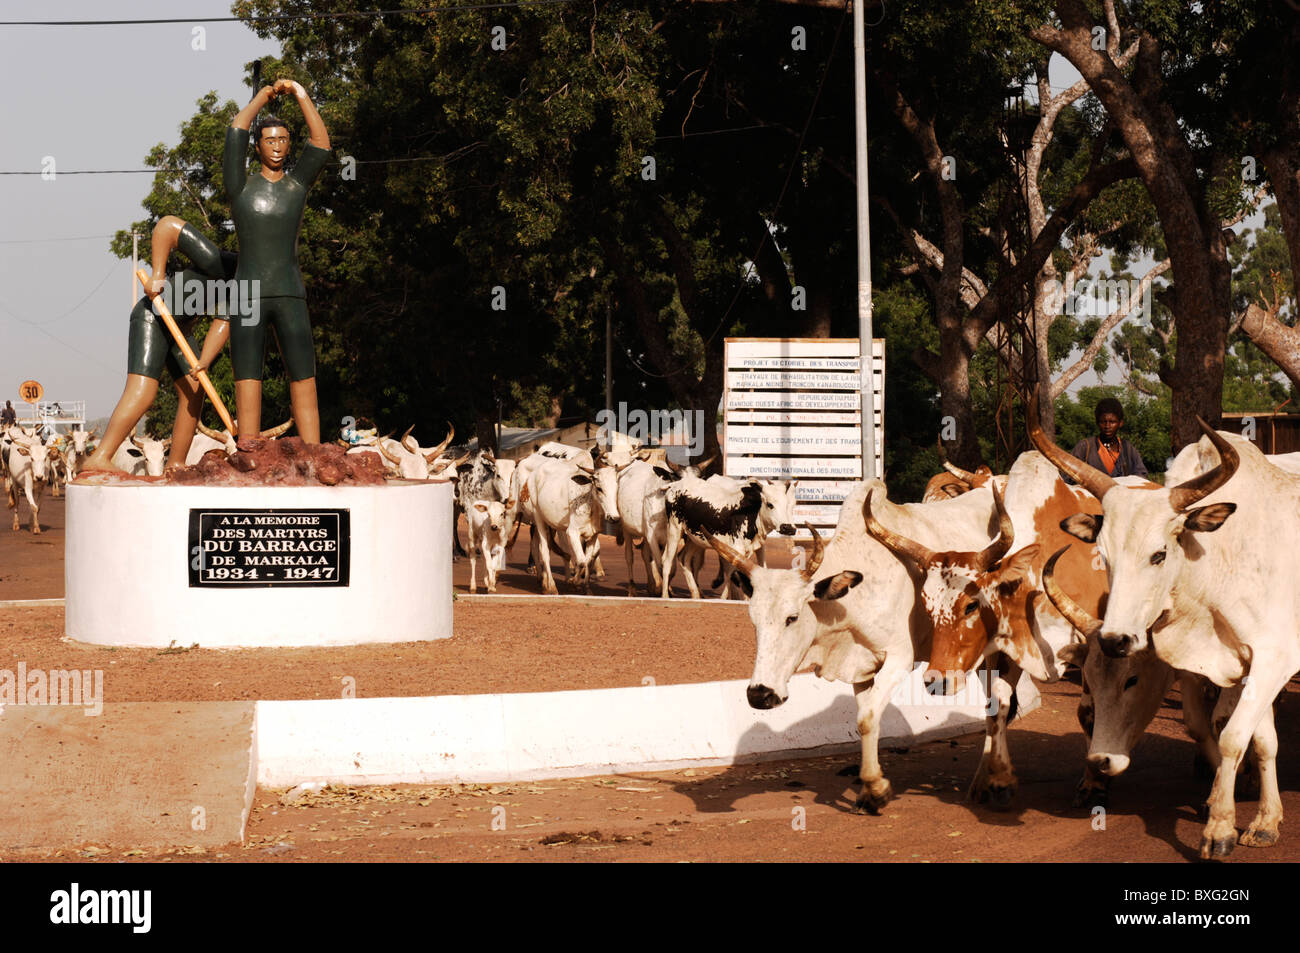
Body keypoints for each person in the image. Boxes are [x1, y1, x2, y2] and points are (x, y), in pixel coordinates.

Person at [224, 77, 331, 447]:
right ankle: (248, 448)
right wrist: (264, 96)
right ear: (257, 147)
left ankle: (314, 452)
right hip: (247, 292)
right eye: (269, 140)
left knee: (303, 372)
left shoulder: (297, 184)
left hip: (288, 291)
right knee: (247, 374)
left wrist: (301, 92)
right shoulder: (239, 185)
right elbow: (235, 130)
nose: (277, 147)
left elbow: (321, 144)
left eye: (283, 140)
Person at [81, 216, 234, 473]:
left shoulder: (245, 284)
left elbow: (223, 322)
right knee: (144, 392)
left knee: (195, 390)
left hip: (180, 329)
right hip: (153, 315)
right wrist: (158, 274)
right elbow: (167, 227)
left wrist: (204, 361)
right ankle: (100, 457)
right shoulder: (218, 260)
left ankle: (176, 464)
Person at [1070, 397, 1148, 479]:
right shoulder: (1085, 447)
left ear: (1120, 423)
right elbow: (1066, 477)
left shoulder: (1127, 449)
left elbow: (1141, 476)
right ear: (1097, 422)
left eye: (1112, 422)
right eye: (1103, 422)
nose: (1107, 426)